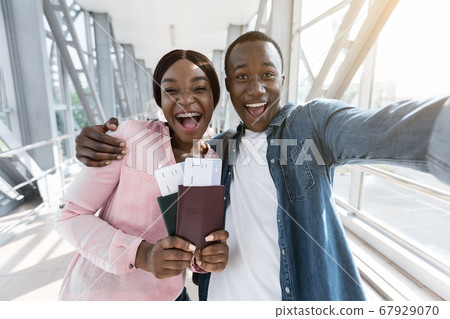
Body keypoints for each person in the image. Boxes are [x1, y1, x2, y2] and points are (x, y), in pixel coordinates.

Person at [74, 31, 450, 301]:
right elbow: (193, 239)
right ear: (228, 87)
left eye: (267, 75)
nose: (255, 89)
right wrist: (94, 140)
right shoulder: (216, 153)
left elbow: (377, 129)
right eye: (242, 78)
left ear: (283, 80)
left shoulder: (311, 126)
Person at [55, 49, 229, 300]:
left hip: (168, 297)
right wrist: (141, 254)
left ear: (215, 98)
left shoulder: (212, 163)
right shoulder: (129, 138)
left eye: (199, 88)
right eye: (171, 91)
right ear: (159, 101)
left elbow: (191, 247)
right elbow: (68, 215)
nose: (185, 100)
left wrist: (205, 259)